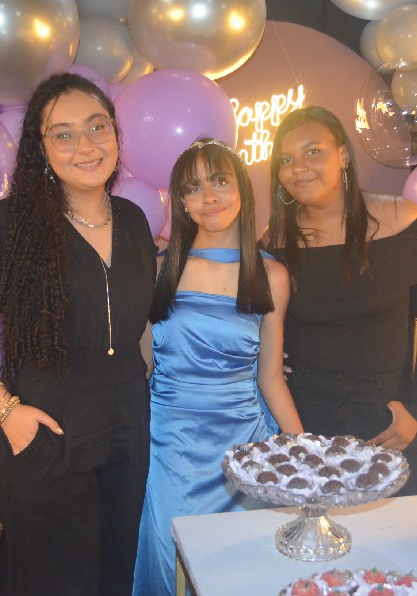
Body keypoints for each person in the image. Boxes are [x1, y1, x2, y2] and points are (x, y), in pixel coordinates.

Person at [0, 73, 156, 595]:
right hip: (45, 428)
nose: (86, 145)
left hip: (127, 426)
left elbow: (141, 324)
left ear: (116, 133)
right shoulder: (10, 223)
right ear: (41, 148)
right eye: (63, 134)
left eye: (97, 126)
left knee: (117, 574)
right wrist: (6, 411)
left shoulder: (133, 220)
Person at [132, 138, 303, 596]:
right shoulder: (158, 269)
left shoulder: (272, 275)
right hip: (169, 447)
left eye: (220, 181)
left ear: (241, 187)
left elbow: (270, 377)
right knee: (171, 565)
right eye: (193, 188)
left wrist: (304, 453)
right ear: (182, 202)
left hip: (244, 448)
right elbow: (141, 367)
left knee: (241, 573)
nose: (209, 197)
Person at [265, 106, 417, 495]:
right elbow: (256, 322)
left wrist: (416, 410)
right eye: (286, 159)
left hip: (384, 418)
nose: (299, 168)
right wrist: (265, 351)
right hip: (304, 417)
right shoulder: (275, 240)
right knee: (314, 530)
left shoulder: (402, 221)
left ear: (343, 155)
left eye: (313, 151)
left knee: (389, 532)